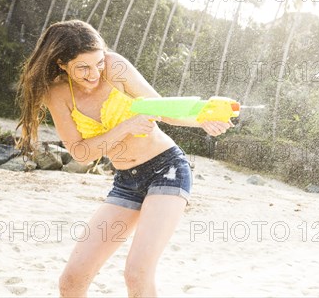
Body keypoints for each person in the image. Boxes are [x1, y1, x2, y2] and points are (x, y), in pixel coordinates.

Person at [16, 20, 232, 297]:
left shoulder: (115, 67)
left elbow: (162, 109)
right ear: (61, 63)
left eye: (98, 64)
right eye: (83, 67)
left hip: (167, 169)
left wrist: (202, 118)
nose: (94, 73)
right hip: (125, 182)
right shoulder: (57, 94)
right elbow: (81, 153)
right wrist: (125, 128)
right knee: (72, 279)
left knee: (137, 273)